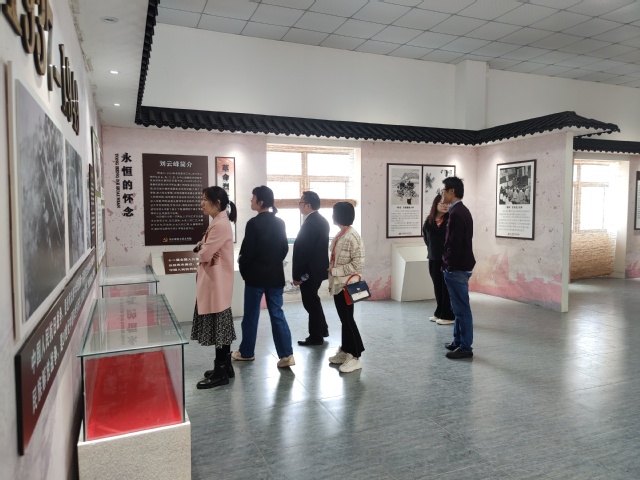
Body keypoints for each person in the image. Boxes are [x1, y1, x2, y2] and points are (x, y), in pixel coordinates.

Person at [233, 185, 295, 368]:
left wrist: (244, 270)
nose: (250, 201)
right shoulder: (280, 222)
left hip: (255, 278)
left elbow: (247, 253)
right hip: (275, 276)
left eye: (253, 198)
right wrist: (273, 263)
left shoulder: (253, 223)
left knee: (251, 316)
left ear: (260, 202)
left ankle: (246, 352)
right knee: (277, 314)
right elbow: (284, 249)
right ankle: (287, 355)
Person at [191, 186, 238, 389]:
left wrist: (203, 248)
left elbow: (203, 254)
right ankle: (225, 367)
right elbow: (203, 248)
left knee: (220, 329)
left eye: (204, 199)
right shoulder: (218, 222)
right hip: (217, 282)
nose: (201, 203)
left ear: (217, 203)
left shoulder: (219, 225)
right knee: (222, 328)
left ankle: (221, 372)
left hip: (217, 284)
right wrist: (203, 247)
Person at [327, 202, 365, 373]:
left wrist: (335, 271)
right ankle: (346, 350)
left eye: (334, 213)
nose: (332, 216)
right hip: (338, 284)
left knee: (348, 320)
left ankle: (355, 356)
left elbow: (358, 265)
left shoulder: (352, 237)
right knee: (345, 319)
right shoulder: (341, 234)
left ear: (339, 215)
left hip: (346, 285)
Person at [441, 177, 476, 360]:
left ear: (452, 191)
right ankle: (458, 341)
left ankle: (465, 347)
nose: (442, 194)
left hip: (457, 268)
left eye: (444, 190)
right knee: (457, 308)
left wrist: (447, 264)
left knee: (462, 309)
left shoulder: (456, 213)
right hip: (461, 265)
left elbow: (453, 244)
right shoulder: (462, 210)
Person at [293, 191, 330, 346]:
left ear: (308, 205)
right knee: (314, 300)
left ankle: (316, 337)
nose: (299, 206)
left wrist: (297, 276)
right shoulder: (321, 220)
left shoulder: (310, 223)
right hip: (318, 270)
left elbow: (303, 251)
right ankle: (322, 330)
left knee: (310, 303)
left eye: (300, 203)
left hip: (308, 272)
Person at [422, 194, 455, 325]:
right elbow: (427, 240)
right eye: (442, 203)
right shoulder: (428, 222)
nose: (445, 206)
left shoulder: (451, 220)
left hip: (447, 259)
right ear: (435, 204)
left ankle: (448, 315)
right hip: (433, 258)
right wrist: (433, 250)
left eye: (448, 203)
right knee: (437, 286)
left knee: (446, 287)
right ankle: (439, 312)